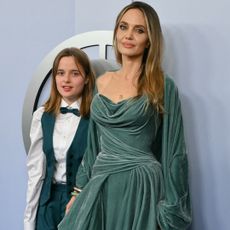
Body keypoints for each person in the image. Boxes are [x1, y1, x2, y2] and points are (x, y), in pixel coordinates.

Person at [58, 2, 192, 230]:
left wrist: (171, 207)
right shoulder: (100, 83)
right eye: (123, 27)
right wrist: (78, 191)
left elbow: (174, 151)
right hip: (102, 183)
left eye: (139, 30)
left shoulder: (162, 85)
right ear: (116, 32)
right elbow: (92, 146)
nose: (128, 35)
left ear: (149, 39)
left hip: (141, 186)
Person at [24, 47, 95, 230]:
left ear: (87, 78)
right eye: (60, 73)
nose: (66, 80)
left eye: (75, 73)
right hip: (47, 202)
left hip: (81, 201)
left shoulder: (96, 118)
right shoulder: (42, 116)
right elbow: (35, 173)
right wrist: (29, 221)